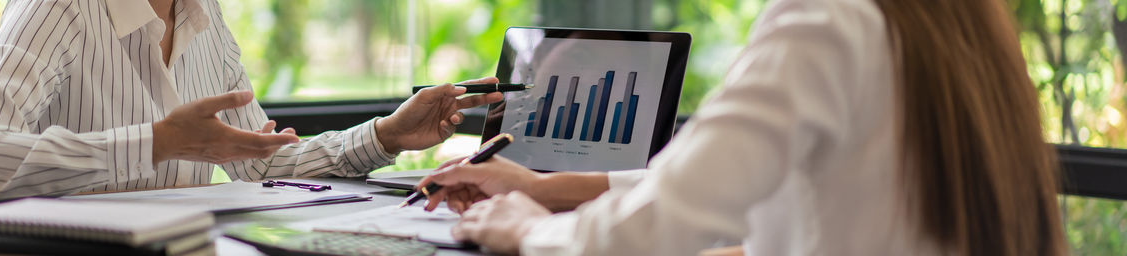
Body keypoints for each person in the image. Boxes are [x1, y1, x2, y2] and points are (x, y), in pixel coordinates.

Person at [415, 0, 1067, 255]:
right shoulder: (958, 26)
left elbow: (665, 221)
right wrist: (551, 188)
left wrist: (529, 228)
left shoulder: (825, 23)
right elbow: (815, 198)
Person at [0, 0, 502, 204]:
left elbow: (259, 161)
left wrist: (385, 136)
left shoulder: (204, 16)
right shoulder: (59, 7)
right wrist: (157, 143)